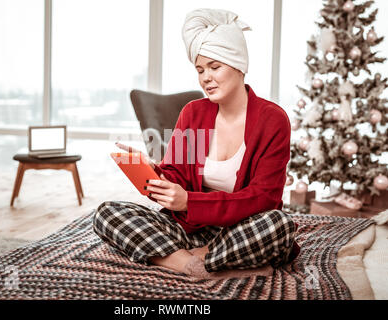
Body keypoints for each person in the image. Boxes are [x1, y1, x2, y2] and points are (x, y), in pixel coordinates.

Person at [93, 8, 300, 278]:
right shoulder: (193, 112)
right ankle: (194, 264)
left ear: (239, 66)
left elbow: (264, 198)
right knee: (107, 213)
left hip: (241, 229)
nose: (206, 78)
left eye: (215, 67)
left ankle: (177, 257)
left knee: (278, 225)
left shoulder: (272, 120)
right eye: (200, 69)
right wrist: (152, 172)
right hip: (191, 228)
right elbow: (176, 175)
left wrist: (190, 201)